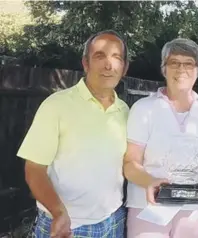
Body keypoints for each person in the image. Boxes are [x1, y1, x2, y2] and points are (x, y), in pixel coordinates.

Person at [17, 30, 129, 238]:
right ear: (85, 63)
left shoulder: (125, 111)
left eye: (116, 58)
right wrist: (59, 212)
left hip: (114, 221)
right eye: (99, 56)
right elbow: (34, 169)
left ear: (124, 68)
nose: (108, 65)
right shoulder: (56, 106)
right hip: (66, 226)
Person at [123, 38, 198, 238]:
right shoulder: (143, 108)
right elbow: (130, 162)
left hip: (195, 212)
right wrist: (150, 181)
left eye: (188, 63)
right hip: (149, 208)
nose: (181, 69)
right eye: (174, 63)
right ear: (164, 69)